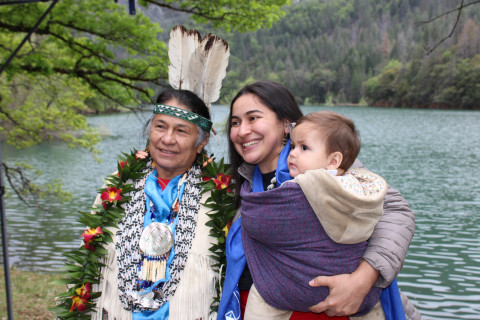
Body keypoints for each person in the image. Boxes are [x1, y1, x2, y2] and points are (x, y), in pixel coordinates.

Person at [217, 81, 421, 320]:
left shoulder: (327, 167)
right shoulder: (239, 184)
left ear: (286, 125)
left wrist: (363, 279)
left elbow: (396, 212)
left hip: (337, 309)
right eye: (235, 122)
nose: (242, 131)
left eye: (253, 118)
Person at [242, 110, 389, 319]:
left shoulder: (299, 187)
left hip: (298, 286)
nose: (292, 153)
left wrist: (251, 201)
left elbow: (260, 220)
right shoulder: (361, 188)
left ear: (333, 160)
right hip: (357, 292)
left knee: (262, 296)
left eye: (304, 148)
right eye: (292, 146)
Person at [91, 89, 219, 320]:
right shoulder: (116, 187)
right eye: (160, 126)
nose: (167, 139)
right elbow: (89, 264)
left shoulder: (218, 198)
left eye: (181, 131)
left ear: (202, 141)